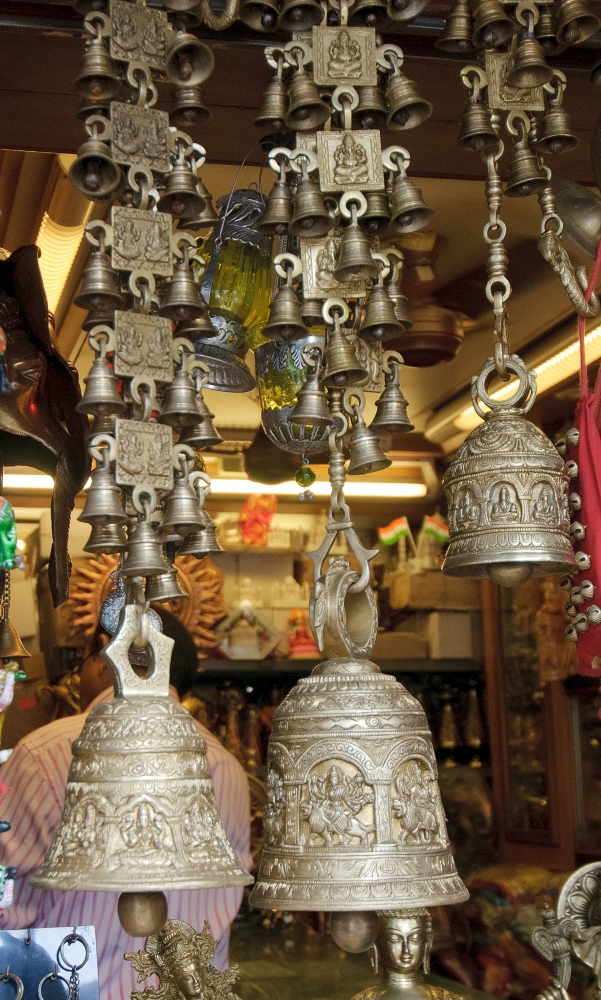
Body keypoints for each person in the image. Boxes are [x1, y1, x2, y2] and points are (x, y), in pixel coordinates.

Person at [0, 613, 252, 999]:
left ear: (106, 650)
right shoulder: (228, 769)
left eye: (79, 663)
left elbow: (8, 916)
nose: (74, 680)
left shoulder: (43, 754)